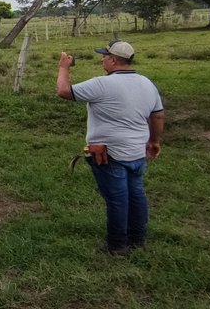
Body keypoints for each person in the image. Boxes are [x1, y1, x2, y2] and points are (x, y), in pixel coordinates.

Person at [56, 40, 165, 255]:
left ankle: (117, 246)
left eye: (105, 56)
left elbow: (63, 91)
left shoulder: (102, 84)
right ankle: (138, 240)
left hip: (109, 154)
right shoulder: (146, 83)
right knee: (136, 196)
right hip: (137, 152)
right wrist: (154, 141)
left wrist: (63, 67)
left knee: (117, 200)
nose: (102, 59)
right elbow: (158, 115)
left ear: (114, 60)